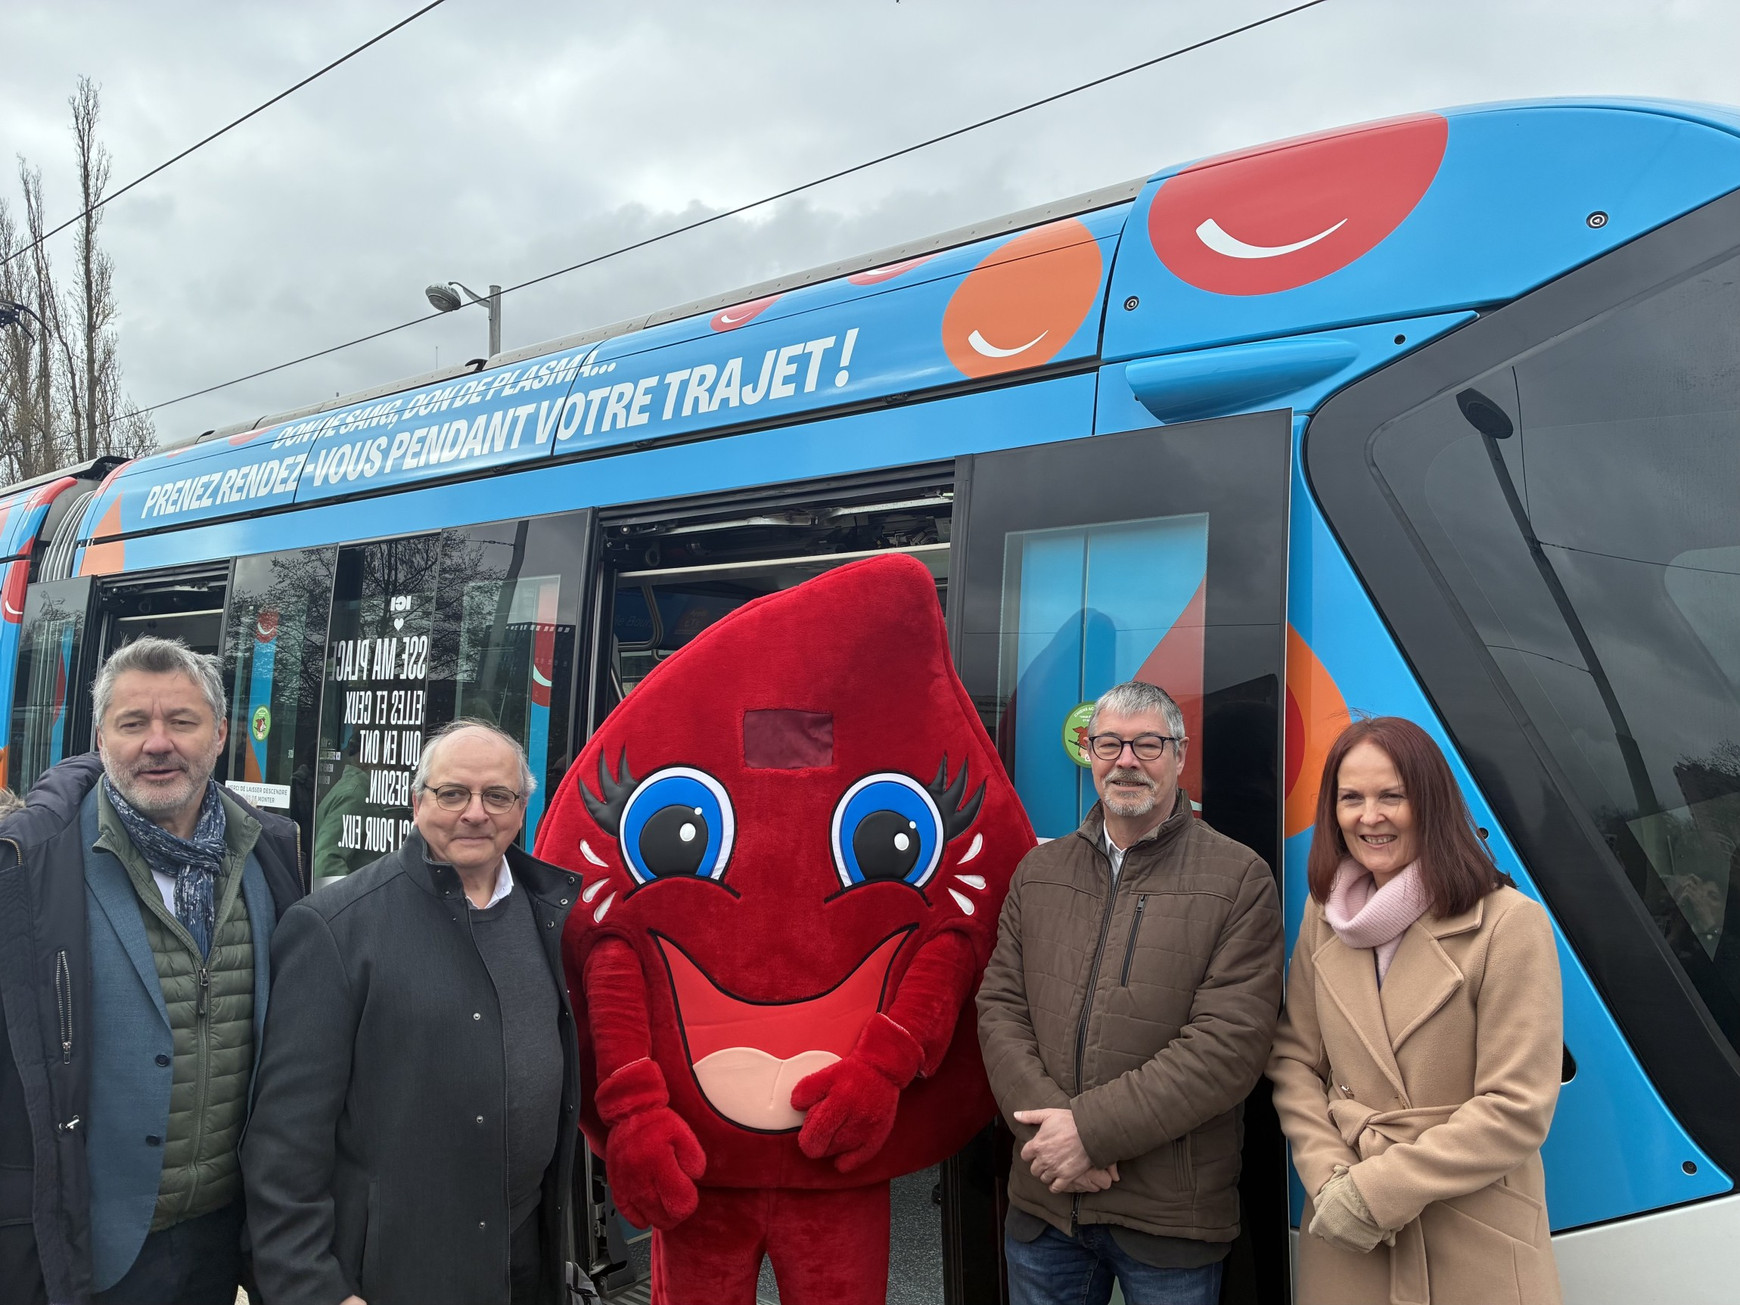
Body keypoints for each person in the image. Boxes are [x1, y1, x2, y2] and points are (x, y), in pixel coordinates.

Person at [0, 636, 305, 1305]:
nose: (157, 743)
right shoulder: (31, 865)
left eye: (182, 721)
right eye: (133, 723)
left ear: (220, 735)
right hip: (87, 1247)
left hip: (222, 1238)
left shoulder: (271, 855)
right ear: (101, 738)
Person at [242, 719, 584, 1305]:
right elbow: (283, 1142)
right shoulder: (334, 928)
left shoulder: (549, 915)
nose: (474, 813)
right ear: (416, 802)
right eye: (452, 793)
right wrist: (312, 1288)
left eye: (497, 796)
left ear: (521, 808)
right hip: (395, 1273)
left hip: (527, 1260)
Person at [977, 680, 1283, 1305]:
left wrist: (1089, 1133)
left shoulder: (1239, 877)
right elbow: (1000, 1010)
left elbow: (1229, 1047)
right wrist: (1053, 1138)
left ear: (1179, 754)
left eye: (1147, 744)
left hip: (1167, 1219)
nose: (1126, 761)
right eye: (1110, 744)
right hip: (1045, 1206)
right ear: (1089, 752)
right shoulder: (1039, 872)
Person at [1266, 716, 1563, 1305]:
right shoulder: (1323, 915)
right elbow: (1295, 1062)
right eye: (1351, 798)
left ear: (1430, 803)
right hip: (1346, 1227)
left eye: (1391, 796)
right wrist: (1330, 1179)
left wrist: (1378, 1192)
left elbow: (1517, 1108)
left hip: (1470, 1226)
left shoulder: (1509, 923)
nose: (1369, 817)